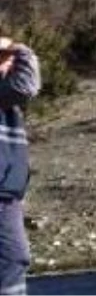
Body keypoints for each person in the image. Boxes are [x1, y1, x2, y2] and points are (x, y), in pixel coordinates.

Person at [0, 37, 40, 296]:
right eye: (6, 59)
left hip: (7, 195)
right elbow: (28, 84)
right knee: (12, 258)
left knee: (13, 259)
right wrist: (18, 48)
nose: (9, 64)